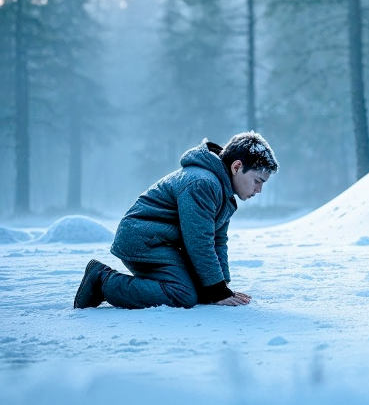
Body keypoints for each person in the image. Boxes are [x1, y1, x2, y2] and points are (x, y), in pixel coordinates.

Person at [73, 131, 279, 309]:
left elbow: (217, 240)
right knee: (182, 294)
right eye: (257, 181)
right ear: (236, 167)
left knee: (202, 289)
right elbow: (199, 241)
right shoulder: (203, 183)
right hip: (143, 240)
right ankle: (102, 281)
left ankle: (141, 285)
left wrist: (222, 287)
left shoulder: (222, 191)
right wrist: (217, 291)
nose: (259, 190)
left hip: (162, 242)